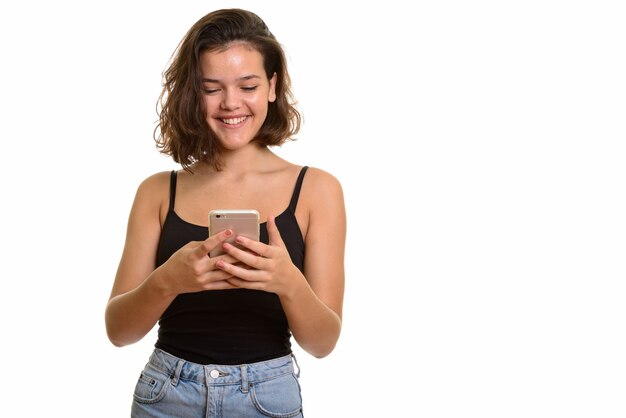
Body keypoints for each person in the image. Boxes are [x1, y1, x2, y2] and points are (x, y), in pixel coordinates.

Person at [104, 7, 346, 418]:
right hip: (166, 395)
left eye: (247, 85)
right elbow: (118, 331)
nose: (230, 103)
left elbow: (322, 343)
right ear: (192, 93)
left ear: (272, 86)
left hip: (267, 398)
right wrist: (169, 280)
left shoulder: (317, 190)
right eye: (211, 87)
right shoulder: (158, 191)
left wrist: (287, 282)